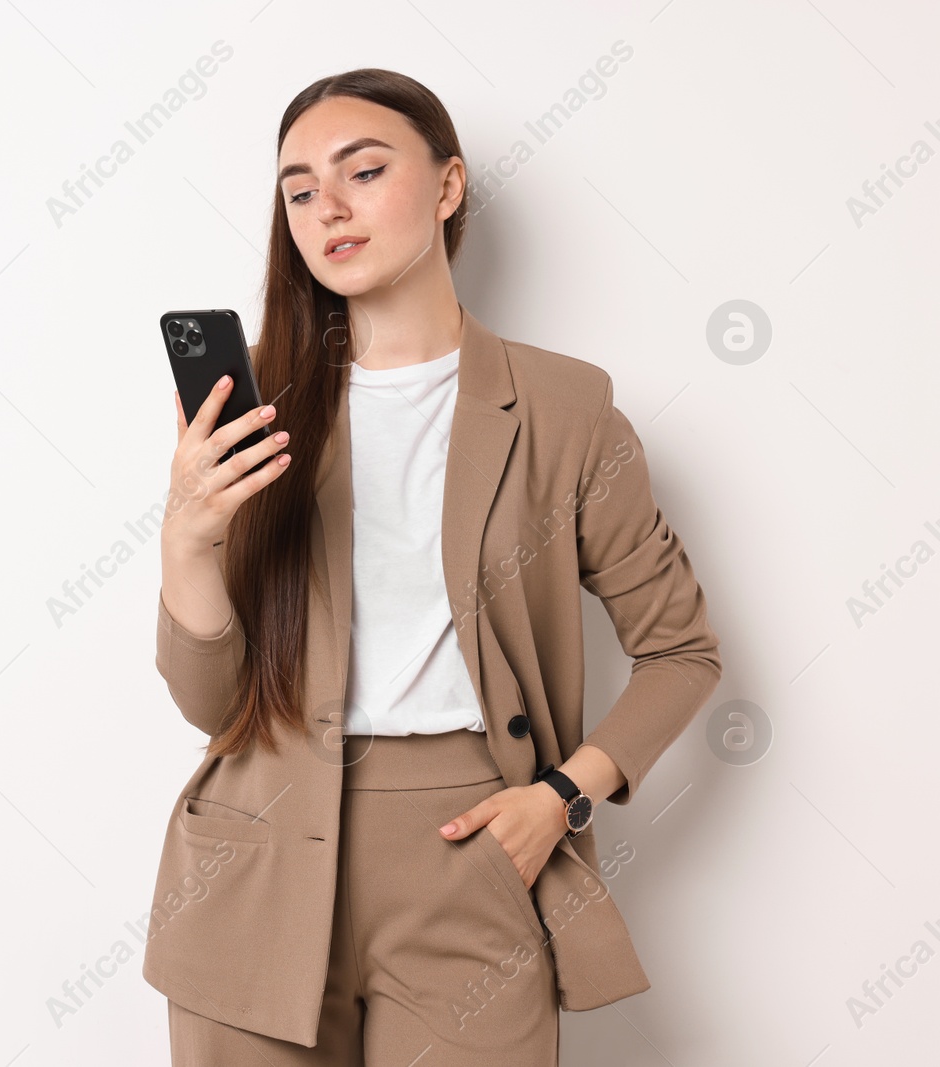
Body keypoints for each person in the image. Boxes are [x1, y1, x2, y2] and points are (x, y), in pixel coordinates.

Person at [143, 68, 723, 1066]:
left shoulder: (565, 409)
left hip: (472, 849)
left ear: (448, 186)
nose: (326, 206)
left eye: (362, 170)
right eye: (296, 189)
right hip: (256, 856)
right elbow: (210, 704)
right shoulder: (259, 410)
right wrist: (187, 541)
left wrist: (561, 794)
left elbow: (680, 651)